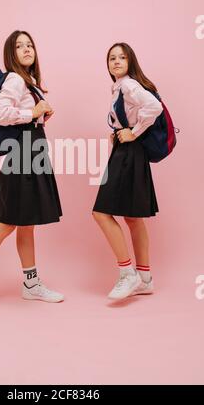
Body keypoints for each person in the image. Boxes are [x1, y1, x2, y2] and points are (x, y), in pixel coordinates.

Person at [0, 30, 64, 315]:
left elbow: (21, 116)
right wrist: (33, 113)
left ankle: (30, 284)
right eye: (19, 46)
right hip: (23, 153)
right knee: (6, 222)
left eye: (29, 44)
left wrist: (40, 114)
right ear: (11, 53)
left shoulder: (29, 81)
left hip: (32, 150)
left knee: (26, 221)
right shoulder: (15, 78)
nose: (27, 49)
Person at [92, 42, 163, 300]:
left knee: (100, 213)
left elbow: (154, 107)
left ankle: (127, 273)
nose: (117, 61)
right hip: (130, 152)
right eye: (112, 58)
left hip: (130, 154)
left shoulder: (128, 85)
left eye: (122, 57)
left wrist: (133, 133)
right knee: (133, 218)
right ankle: (144, 278)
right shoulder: (119, 87)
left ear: (130, 61)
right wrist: (120, 133)